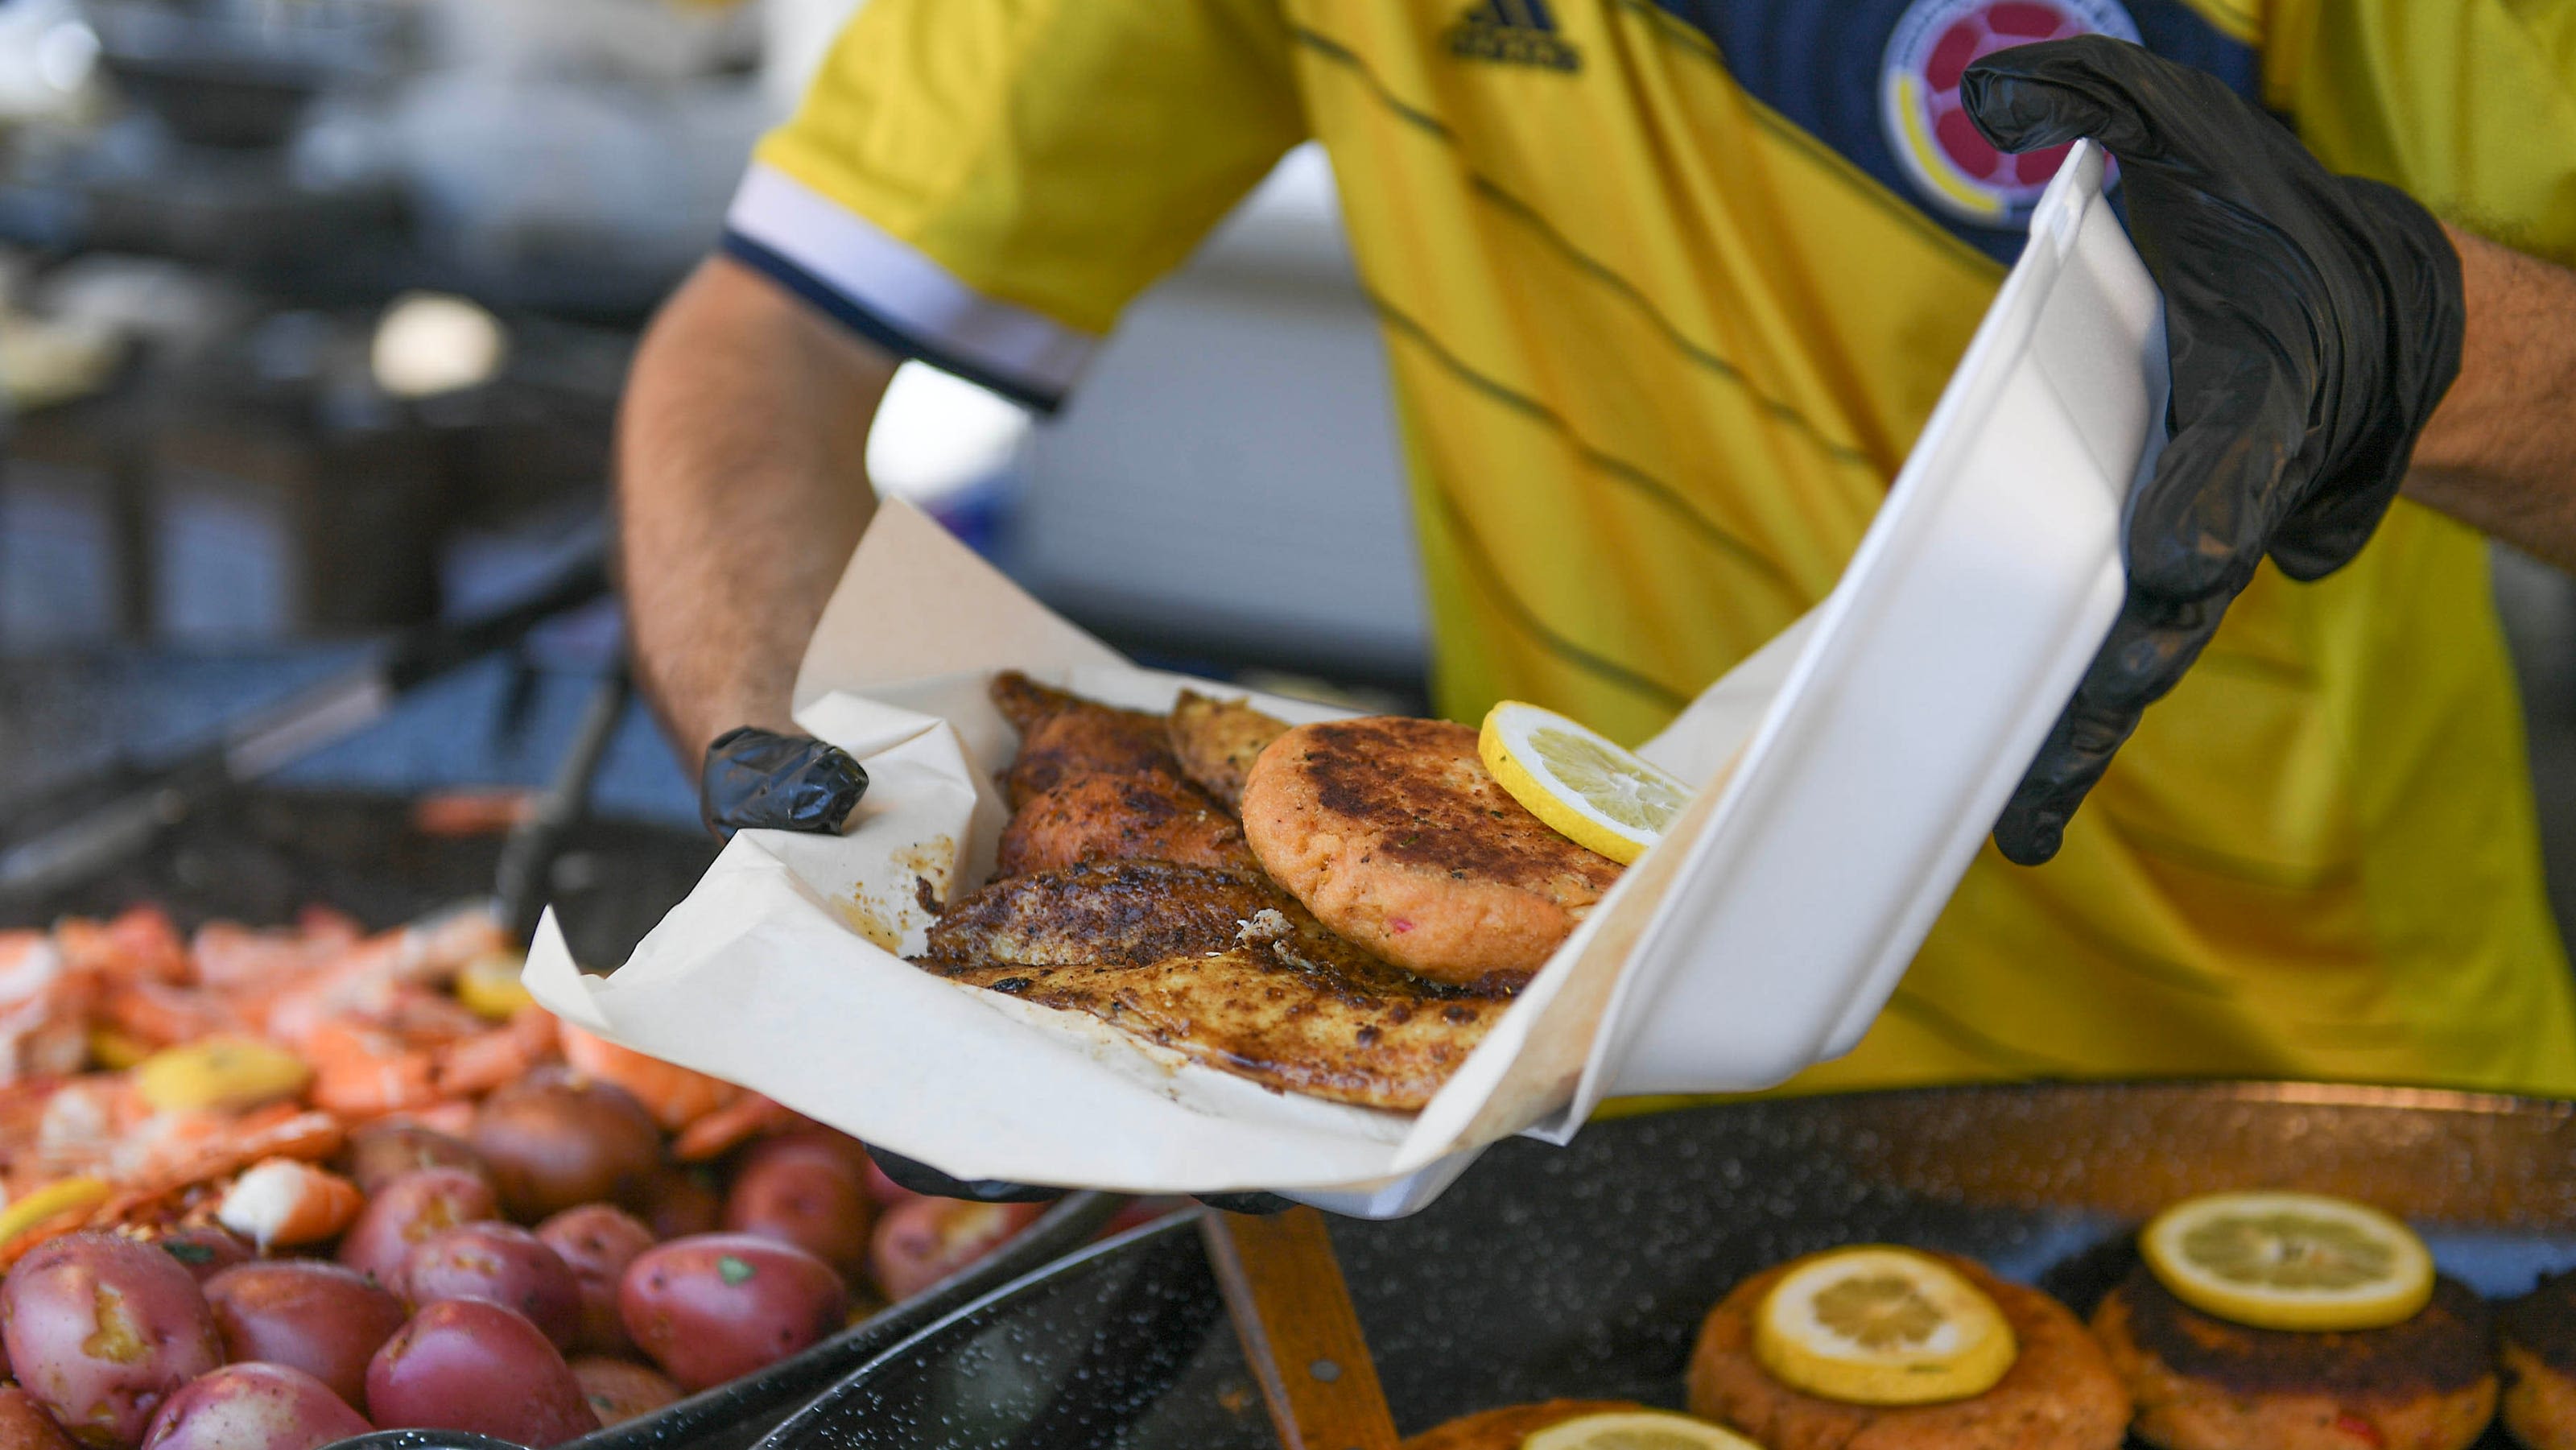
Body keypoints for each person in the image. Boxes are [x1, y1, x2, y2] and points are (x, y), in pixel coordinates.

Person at [617, 0, 2576, 1102]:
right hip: (1563, 1079)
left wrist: (2419, 332)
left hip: (2297, 1084)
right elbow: (777, 330)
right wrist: (811, 812)